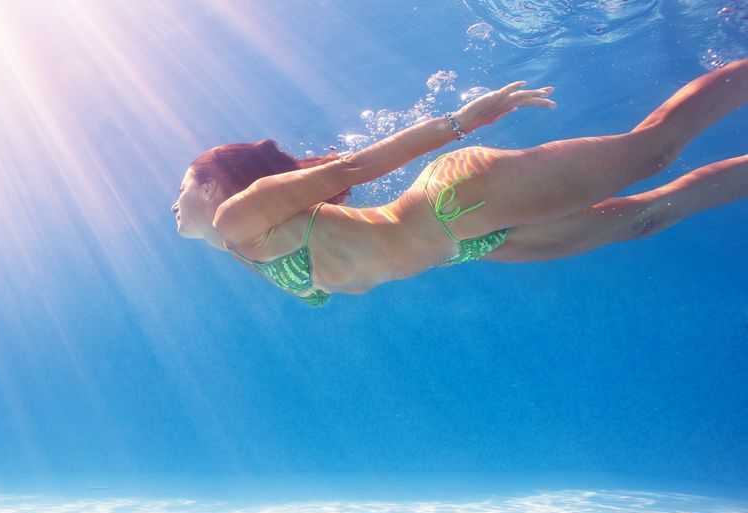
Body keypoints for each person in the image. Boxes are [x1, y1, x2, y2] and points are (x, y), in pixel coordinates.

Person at [171, 60, 748, 306]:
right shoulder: (243, 248)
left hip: (452, 204)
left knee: (651, 152)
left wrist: (460, 122)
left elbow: (354, 170)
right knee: (644, 220)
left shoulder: (237, 217)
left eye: (181, 189)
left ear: (212, 186)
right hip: (466, 245)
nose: (173, 206)